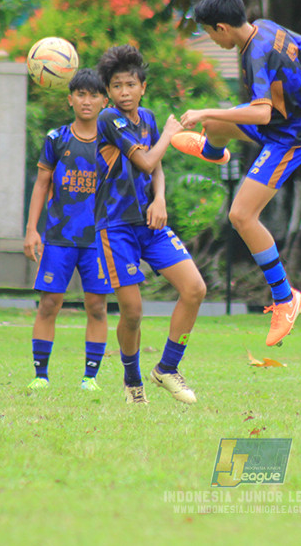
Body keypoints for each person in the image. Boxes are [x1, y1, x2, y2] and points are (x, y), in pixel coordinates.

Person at [173, 0, 301, 347]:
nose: (212, 40)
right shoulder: (267, 26)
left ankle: (286, 298)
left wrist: (205, 109)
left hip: (289, 138)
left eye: (209, 34)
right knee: (218, 125)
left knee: (241, 216)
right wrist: (296, 86)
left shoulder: (256, 52)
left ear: (221, 28)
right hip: (283, 123)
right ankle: (213, 151)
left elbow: (260, 112)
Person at [94, 45, 207, 405]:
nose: (123, 92)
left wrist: (160, 199)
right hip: (116, 227)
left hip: (149, 222)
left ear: (143, 86)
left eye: (130, 84)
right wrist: (170, 135)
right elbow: (145, 160)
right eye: (116, 86)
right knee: (133, 312)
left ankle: (167, 368)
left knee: (195, 288)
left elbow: (156, 169)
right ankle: (132, 383)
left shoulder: (149, 118)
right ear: (109, 91)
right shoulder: (108, 119)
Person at [23, 68, 112, 392]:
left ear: (105, 100)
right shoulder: (56, 139)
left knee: (98, 306)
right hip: (59, 237)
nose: (86, 101)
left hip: (99, 239)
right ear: (70, 98)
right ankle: (40, 375)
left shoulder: (113, 141)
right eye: (80, 94)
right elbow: (41, 183)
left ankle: (90, 378)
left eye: (93, 95)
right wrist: (32, 230)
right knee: (49, 303)